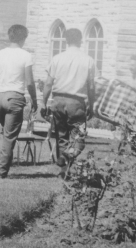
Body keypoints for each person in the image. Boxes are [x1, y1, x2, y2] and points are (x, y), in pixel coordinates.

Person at [40, 28, 95, 176]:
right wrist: (92, 104)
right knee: (79, 137)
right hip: (76, 102)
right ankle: (66, 158)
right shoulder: (88, 60)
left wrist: (43, 102)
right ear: (81, 40)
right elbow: (91, 87)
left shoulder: (57, 58)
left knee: (61, 136)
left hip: (58, 101)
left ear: (66, 40)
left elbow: (48, 84)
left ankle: (64, 170)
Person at [0, 24, 37, 179]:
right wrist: (34, 99)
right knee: (9, 137)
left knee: (4, 134)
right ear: (23, 38)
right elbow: (29, 82)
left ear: (9, 36)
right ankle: (1, 172)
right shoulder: (26, 55)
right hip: (14, 98)